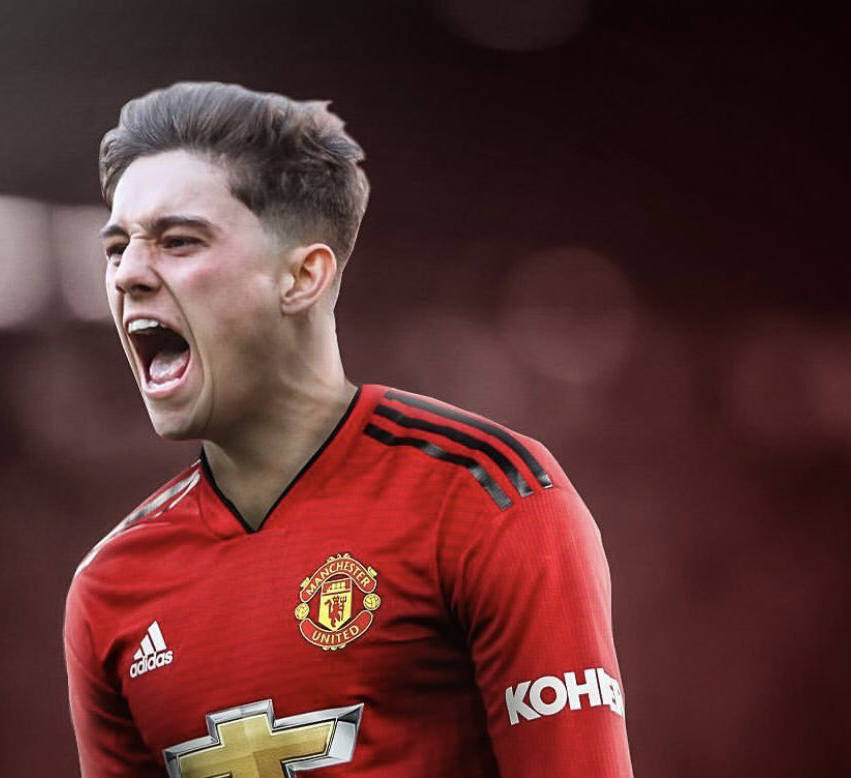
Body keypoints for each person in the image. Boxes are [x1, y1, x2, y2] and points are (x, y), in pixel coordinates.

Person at [64, 81, 633, 777]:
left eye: (178, 241)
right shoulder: (110, 587)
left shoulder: (488, 499)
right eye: (116, 248)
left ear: (302, 277)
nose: (127, 275)